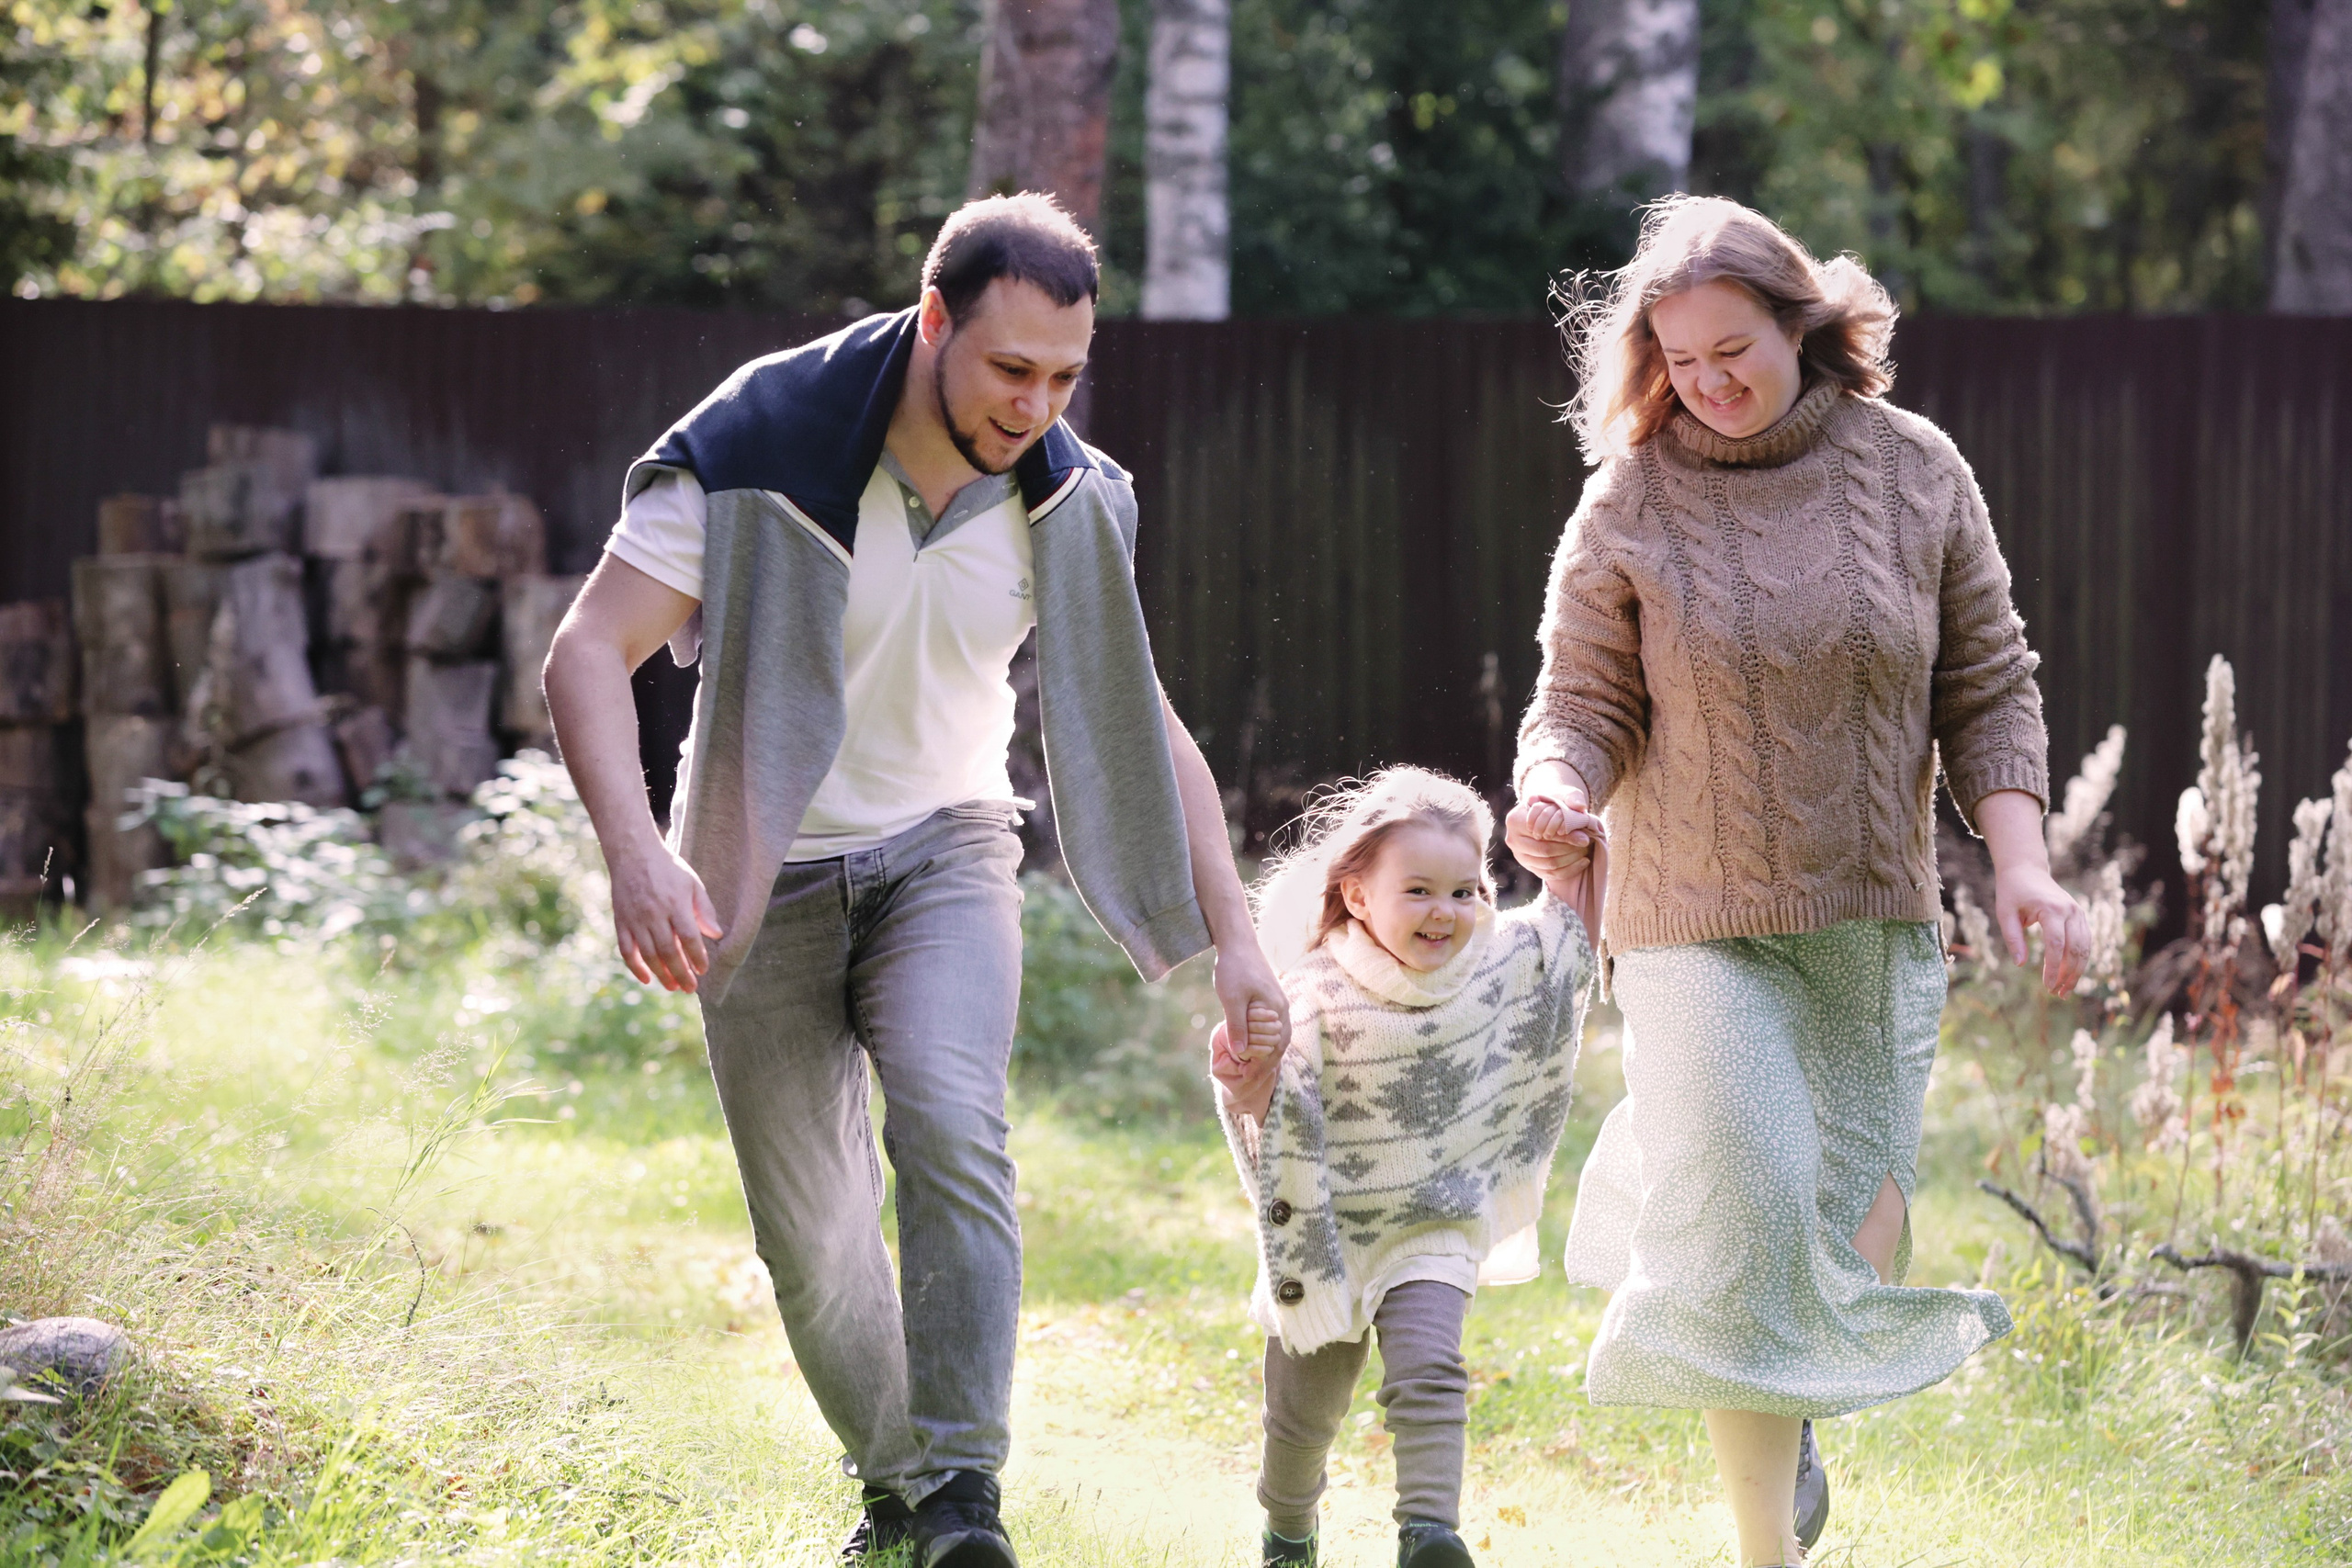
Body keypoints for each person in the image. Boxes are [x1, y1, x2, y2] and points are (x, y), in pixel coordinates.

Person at [541, 192, 1291, 1568]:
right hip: (759, 876)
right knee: (816, 1239)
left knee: (953, 1123)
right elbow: (589, 650)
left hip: (950, 846)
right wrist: (638, 850)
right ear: (935, 318)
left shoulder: (1068, 497)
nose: (1036, 404)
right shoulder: (761, 445)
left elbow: (1148, 720)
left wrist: (1237, 935)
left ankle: (963, 1495)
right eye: (1011, 367)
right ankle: (895, 1488)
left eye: (1065, 375)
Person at [1505, 196, 2088, 1568]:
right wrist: (1555, 788)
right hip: (1688, 918)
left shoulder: (1914, 469)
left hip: (1869, 915)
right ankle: (1769, 1548)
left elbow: (1989, 680)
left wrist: (2023, 865)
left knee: (1841, 1222)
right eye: (1679, 357)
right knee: (1744, 1197)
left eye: (1732, 347)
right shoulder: (1633, 497)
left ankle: (1789, 1372)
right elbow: (1580, 697)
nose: (1707, 379)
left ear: (1800, 322)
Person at [1210, 766, 1603, 1568]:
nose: (1446, 912)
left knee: (1430, 1371)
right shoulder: (1317, 993)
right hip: (1332, 1235)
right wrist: (1248, 1079)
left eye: (1466, 891)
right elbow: (1277, 1107)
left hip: (1434, 1223)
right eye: (1419, 890)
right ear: (1357, 895)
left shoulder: (1493, 966)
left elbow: (1564, 946)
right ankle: (1288, 1533)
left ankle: (1429, 1533)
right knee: (1301, 1418)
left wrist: (1575, 855)